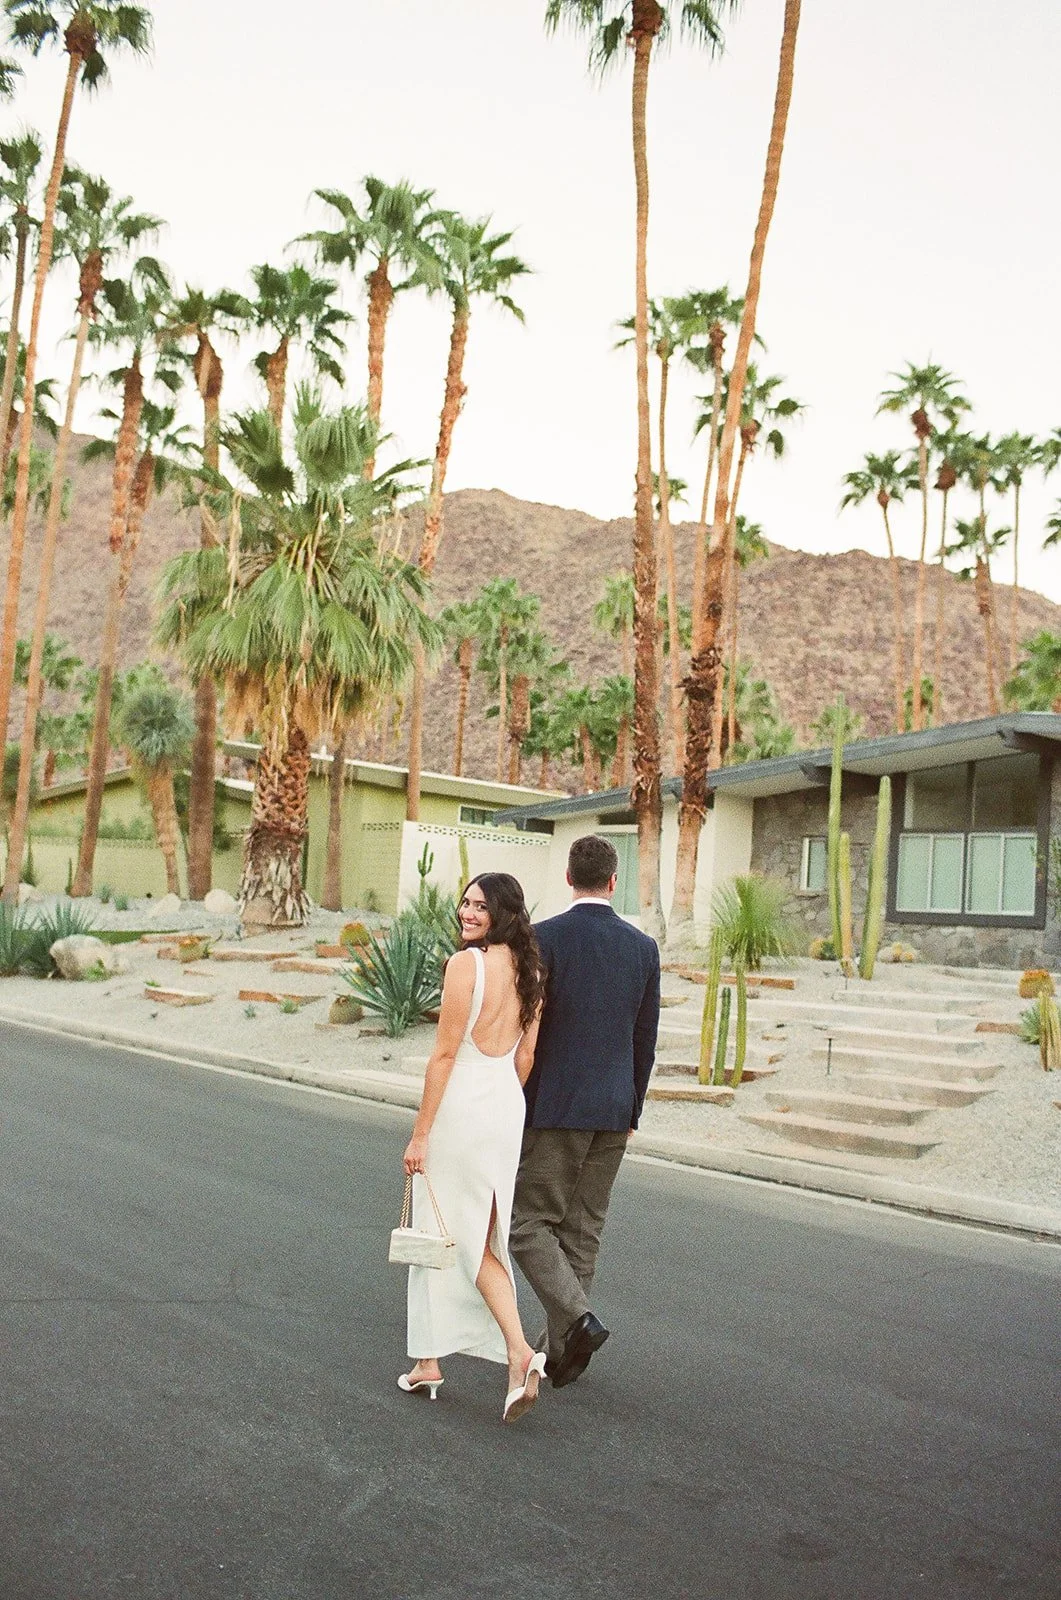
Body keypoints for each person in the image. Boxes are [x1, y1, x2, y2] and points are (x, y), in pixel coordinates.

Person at [510, 834, 661, 1389]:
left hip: (556, 1105)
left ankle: (576, 1321)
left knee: (528, 1225)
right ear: (614, 882)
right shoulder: (643, 948)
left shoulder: (543, 938)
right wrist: (632, 1105)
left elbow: (528, 1024)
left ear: (569, 878)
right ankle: (560, 1355)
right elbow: (645, 1037)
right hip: (614, 1107)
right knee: (583, 1230)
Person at [400, 872, 548, 1423]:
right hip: (505, 1106)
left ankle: (518, 1353)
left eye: (480, 906)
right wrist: (499, 1099)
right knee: (475, 1230)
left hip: (461, 1106)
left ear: (504, 913)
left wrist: (420, 1134)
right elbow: (525, 1058)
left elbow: (442, 1056)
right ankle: (427, 1361)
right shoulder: (533, 970)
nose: (467, 912)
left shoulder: (467, 966)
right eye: (465, 902)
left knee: (446, 1233)